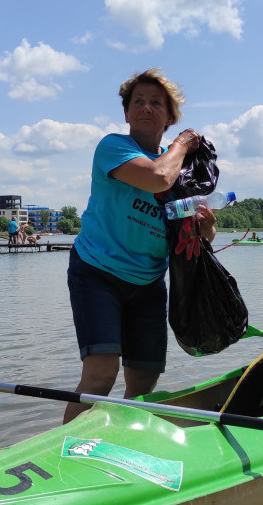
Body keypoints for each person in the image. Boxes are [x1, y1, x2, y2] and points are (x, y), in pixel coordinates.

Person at [64, 67, 217, 424]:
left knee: (144, 383)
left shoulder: (181, 168)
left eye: (156, 103)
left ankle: (122, 446)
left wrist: (205, 229)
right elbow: (155, 178)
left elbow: (193, 238)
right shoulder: (113, 146)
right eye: (139, 102)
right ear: (127, 112)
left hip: (148, 282)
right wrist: (181, 143)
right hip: (98, 272)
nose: (146, 108)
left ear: (169, 116)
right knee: (100, 376)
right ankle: (61, 454)